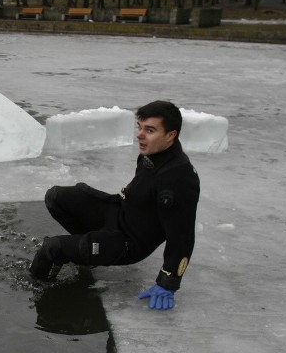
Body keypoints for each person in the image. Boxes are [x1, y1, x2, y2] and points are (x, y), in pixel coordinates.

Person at [30, 100, 200, 310]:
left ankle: (36, 290)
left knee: (51, 248)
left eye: (150, 130)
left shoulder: (178, 180)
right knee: (56, 197)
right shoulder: (154, 154)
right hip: (120, 214)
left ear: (171, 135)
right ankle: (87, 250)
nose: (140, 135)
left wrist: (168, 282)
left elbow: (182, 237)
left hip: (127, 242)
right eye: (140, 127)